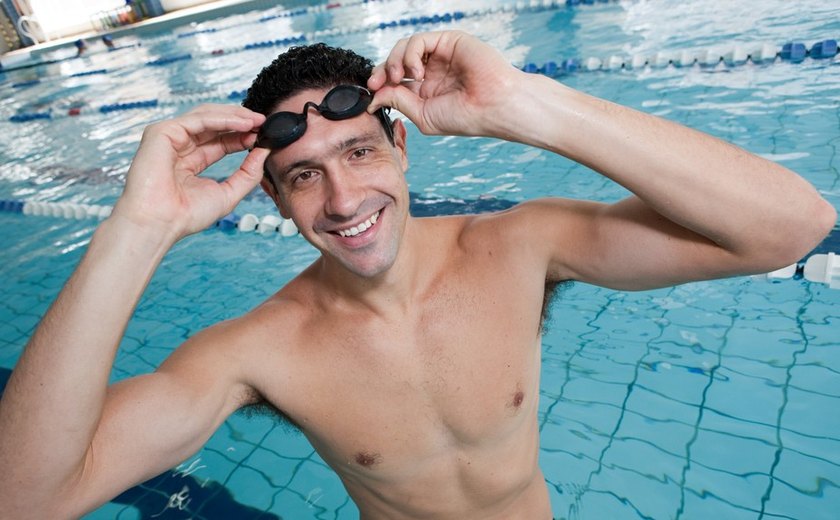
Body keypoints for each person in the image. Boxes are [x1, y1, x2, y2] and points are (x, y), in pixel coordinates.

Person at [0, 30, 834, 519]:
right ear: (281, 204)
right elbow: (26, 500)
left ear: (401, 148)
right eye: (303, 177)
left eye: (359, 151)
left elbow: (789, 229)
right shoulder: (254, 353)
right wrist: (136, 231)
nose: (343, 199)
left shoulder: (518, 246)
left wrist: (523, 106)